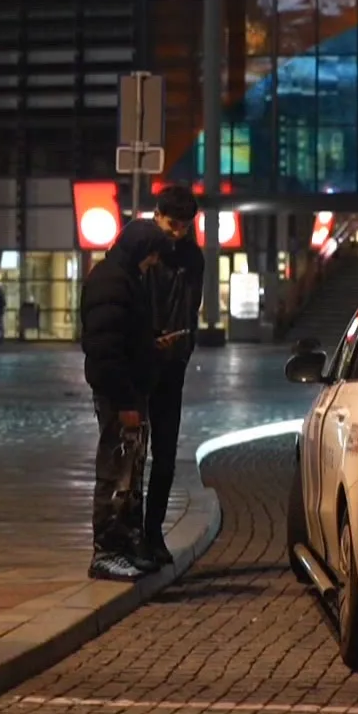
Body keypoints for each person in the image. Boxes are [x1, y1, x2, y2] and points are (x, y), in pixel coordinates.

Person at [78, 218, 181, 581]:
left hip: (131, 393)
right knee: (115, 472)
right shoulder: (111, 281)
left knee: (128, 474)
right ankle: (106, 552)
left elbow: (122, 339)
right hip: (120, 397)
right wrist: (125, 404)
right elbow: (106, 350)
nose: (152, 263)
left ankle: (123, 546)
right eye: (151, 256)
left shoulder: (123, 279)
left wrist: (150, 345)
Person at [143, 185, 205, 567]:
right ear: (157, 215)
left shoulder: (192, 258)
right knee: (131, 456)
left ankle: (154, 534)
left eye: (184, 226)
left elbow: (190, 306)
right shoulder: (141, 251)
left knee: (164, 456)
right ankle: (132, 536)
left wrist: (182, 345)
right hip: (140, 362)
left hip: (173, 365)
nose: (177, 232)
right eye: (172, 224)